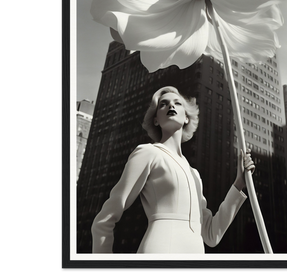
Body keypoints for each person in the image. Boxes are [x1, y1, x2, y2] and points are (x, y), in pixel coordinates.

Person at [91, 86, 255, 254]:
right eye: (163, 104)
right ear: (155, 120)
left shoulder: (194, 174)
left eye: (177, 103)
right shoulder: (148, 153)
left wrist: (239, 184)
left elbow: (211, 235)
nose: (171, 106)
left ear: (186, 118)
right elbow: (104, 221)